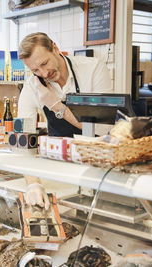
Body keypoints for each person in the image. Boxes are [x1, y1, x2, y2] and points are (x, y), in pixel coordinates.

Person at [17, 32, 113, 209]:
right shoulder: (33, 86)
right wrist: (32, 183)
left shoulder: (93, 69)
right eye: (35, 70)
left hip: (98, 171)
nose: (44, 73)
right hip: (60, 172)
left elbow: (102, 128)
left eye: (45, 63)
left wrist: (56, 105)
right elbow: (23, 139)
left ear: (55, 48)